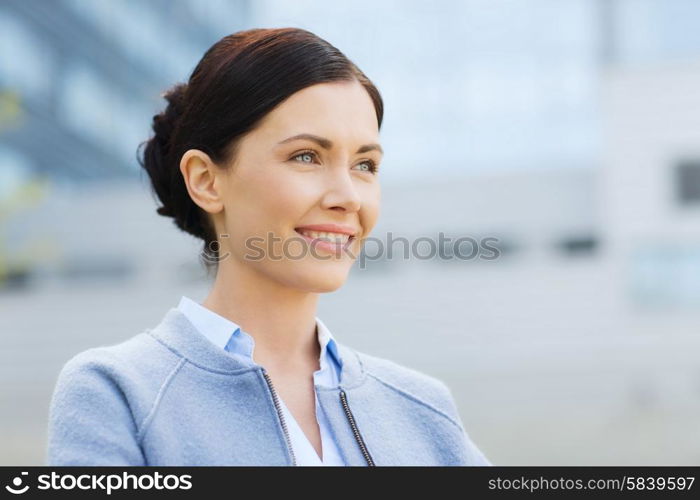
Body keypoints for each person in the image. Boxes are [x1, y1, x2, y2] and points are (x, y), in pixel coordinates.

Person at [46, 27, 492, 466]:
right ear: (205, 179)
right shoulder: (117, 392)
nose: (348, 197)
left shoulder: (423, 410)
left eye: (365, 164)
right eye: (306, 156)